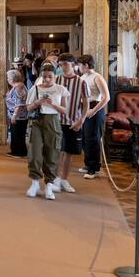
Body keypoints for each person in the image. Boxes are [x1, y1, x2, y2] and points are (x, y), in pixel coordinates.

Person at [26, 62, 67, 200]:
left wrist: (53, 103)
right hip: (37, 122)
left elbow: (64, 110)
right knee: (35, 152)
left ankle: (49, 185)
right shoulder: (35, 88)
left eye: (50, 76)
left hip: (53, 121)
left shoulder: (60, 89)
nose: (47, 79)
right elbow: (28, 108)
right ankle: (35, 183)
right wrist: (38, 102)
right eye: (44, 76)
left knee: (52, 152)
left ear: (55, 76)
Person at [53, 54, 85, 193]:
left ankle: (64, 179)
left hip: (73, 121)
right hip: (57, 121)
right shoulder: (56, 79)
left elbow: (86, 104)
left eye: (65, 64)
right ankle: (55, 179)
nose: (63, 67)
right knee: (57, 151)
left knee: (69, 153)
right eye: (60, 64)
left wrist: (81, 120)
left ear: (73, 64)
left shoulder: (81, 81)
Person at [78, 54, 110, 179]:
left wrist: (94, 111)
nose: (78, 67)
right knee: (85, 138)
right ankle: (87, 164)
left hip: (95, 108)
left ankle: (94, 168)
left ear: (86, 65)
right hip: (85, 108)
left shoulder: (98, 77)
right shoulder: (83, 76)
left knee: (93, 139)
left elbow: (106, 97)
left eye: (80, 65)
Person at [5, 68, 28, 157]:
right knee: (16, 134)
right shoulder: (17, 87)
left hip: (19, 116)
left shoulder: (19, 88)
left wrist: (14, 116)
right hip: (18, 115)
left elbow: (19, 104)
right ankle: (18, 151)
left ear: (12, 79)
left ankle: (19, 152)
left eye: (8, 78)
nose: (7, 79)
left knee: (17, 134)